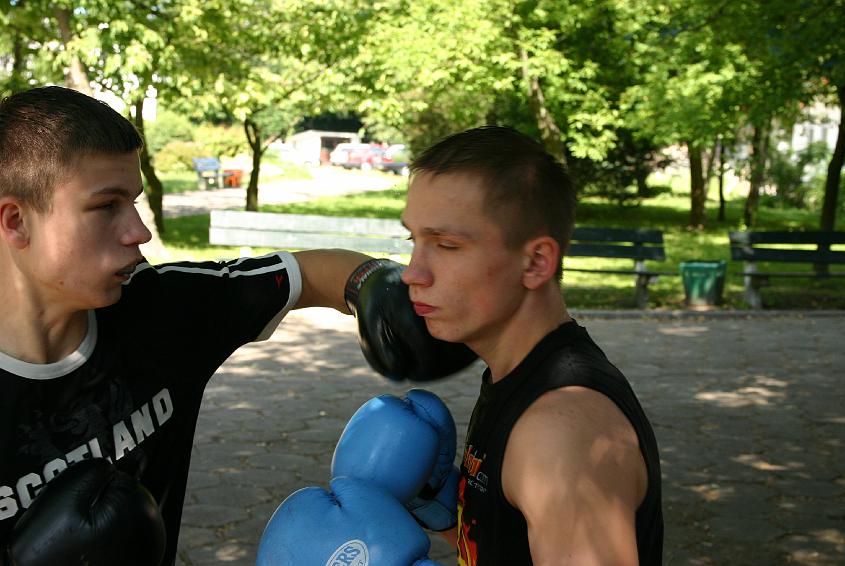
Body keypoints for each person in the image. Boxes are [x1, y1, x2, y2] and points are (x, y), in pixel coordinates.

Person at [0, 86, 474, 565]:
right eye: (107, 206)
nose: (138, 231)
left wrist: (373, 285)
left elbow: (311, 274)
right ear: (16, 221)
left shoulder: (159, 308)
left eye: (134, 202)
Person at [399, 126, 664, 564]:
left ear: (536, 262)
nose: (413, 273)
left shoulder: (559, 435)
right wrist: (449, 518)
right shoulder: (519, 376)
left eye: (446, 245)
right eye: (414, 239)